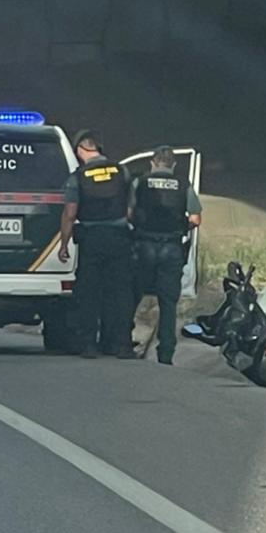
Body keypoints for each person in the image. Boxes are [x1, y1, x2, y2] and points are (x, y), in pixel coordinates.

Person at [58, 130, 135, 359]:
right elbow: (130, 208)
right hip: (119, 238)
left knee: (89, 293)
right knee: (120, 293)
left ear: (81, 149)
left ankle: (89, 344)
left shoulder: (78, 176)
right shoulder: (122, 171)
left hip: (92, 238)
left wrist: (64, 243)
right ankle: (120, 344)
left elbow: (70, 213)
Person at [129, 145, 202, 365]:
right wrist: (180, 228)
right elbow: (196, 219)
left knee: (133, 295)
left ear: (152, 163)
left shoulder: (140, 182)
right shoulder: (183, 184)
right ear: (174, 164)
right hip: (171, 247)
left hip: (144, 246)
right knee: (168, 303)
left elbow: (129, 212)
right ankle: (166, 352)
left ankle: (123, 340)